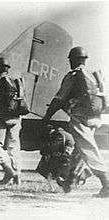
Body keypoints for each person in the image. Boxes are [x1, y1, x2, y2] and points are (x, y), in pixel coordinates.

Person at [43, 46, 109, 198]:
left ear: (73, 60)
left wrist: (47, 116)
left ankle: (106, 183)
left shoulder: (73, 75)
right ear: (85, 60)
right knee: (79, 152)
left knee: (88, 150)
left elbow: (59, 99)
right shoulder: (93, 75)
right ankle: (70, 181)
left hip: (79, 118)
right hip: (95, 118)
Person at [0, 57, 24, 185]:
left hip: (1, 118)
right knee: (14, 147)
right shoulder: (17, 81)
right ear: (8, 69)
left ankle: (8, 170)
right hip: (16, 118)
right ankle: (17, 177)